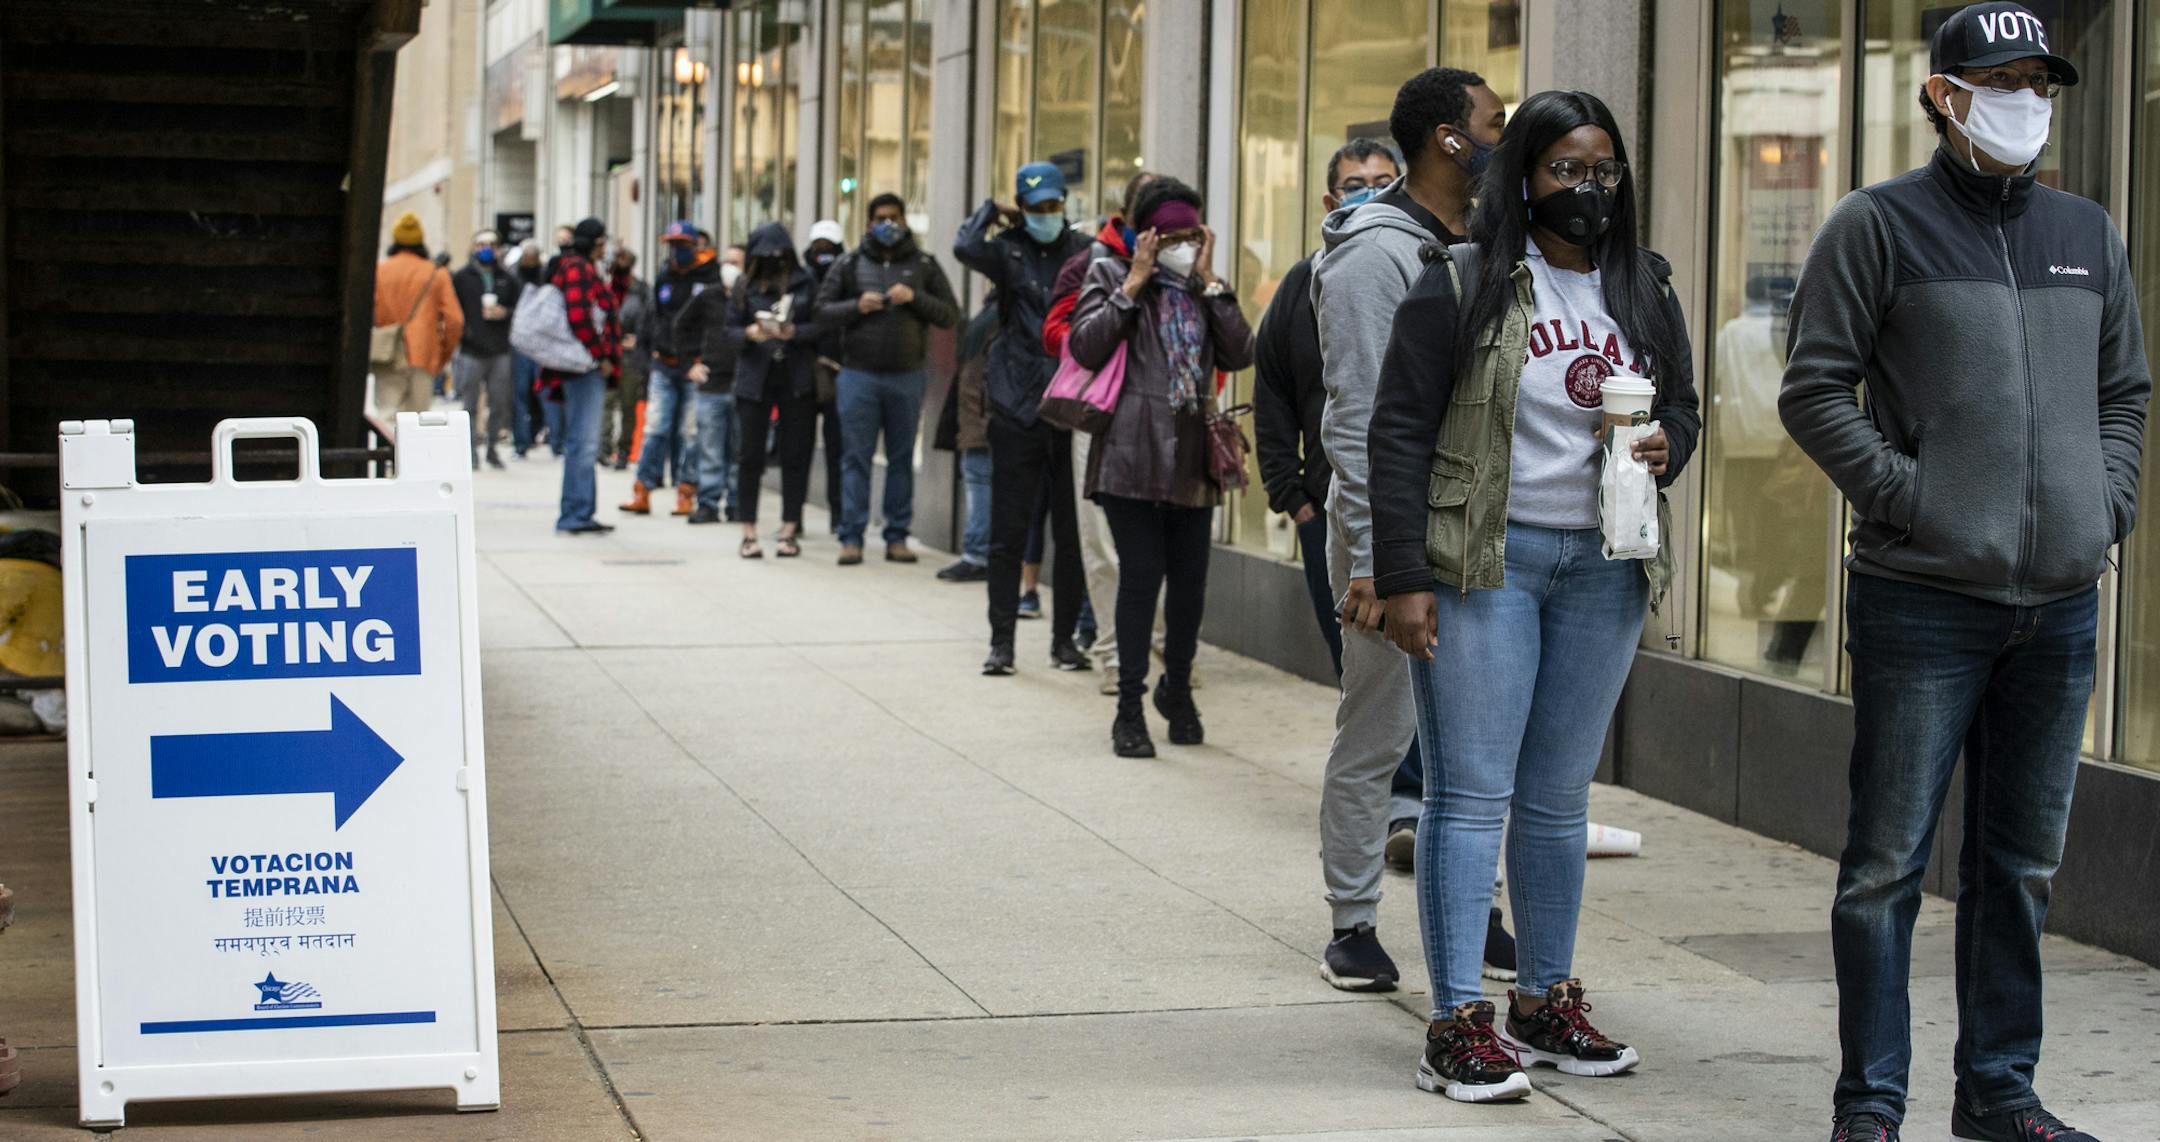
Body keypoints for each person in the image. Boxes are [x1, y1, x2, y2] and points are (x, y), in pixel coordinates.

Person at [1779, 8, 2146, 1141]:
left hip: (2062, 605)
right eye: (2002, 80)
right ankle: (1870, 1103)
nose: (2027, 99)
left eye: (2041, 80)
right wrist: (1913, 496)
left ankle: (1998, 1090)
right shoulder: (1877, 226)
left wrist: (2106, 501)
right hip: (1924, 600)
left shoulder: (2088, 230)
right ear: (1943, 95)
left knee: (2022, 866)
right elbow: (1814, 390)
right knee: (1885, 866)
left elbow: (2124, 393)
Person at [1368, 90, 1698, 1104]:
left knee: (1558, 798)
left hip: (1604, 564)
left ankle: (1545, 999)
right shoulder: (1463, 282)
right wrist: (1401, 577)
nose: (1588, 188)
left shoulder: (1647, 287)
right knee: (1470, 793)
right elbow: (1397, 434)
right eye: (1567, 169)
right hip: (1486, 560)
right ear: (1525, 177)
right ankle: (1457, 1018)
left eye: (1603, 170)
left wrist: (1667, 445)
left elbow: (1682, 406)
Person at [1311, 70, 1511, 996]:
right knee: (1380, 728)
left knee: (1480, 740)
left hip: (1479, 526)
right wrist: (1374, 562)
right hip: (1388, 530)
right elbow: (1357, 420)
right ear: (1448, 139)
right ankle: (1353, 921)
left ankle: (1479, 908)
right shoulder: (1372, 254)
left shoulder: (1489, 240)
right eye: (1493, 123)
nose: (1504, 136)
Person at [1067, 177, 1253, 757]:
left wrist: (1212, 283)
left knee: (1191, 585)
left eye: (1189, 234)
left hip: (1193, 456)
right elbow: (1085, 346)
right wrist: (1135, 281)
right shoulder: (1107, 273)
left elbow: (1240, 351)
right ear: (1144, 234)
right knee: (1141, 580)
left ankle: (1177, 688)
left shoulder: (1204, 288)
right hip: (1129, 454)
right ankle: (1128, 707)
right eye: (1169, 235)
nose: (1179, 243)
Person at [956, 162, 1095, 675]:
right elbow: (964, 247)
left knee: (1072, 532)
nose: (1046, 215)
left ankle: (1064, 642)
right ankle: (1002, 643)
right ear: (1022, 207)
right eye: (1035, 207)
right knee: (1007, 533)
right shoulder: (1006, 251)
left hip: (1070, 403)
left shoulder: (1082, 251)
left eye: (1053, 205)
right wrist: (993, 210)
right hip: (1017, 405)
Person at [1045, 171, 1157, 692]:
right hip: (1102, 415)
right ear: (1133, 216)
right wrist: (1123, 304)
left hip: (1165, 421)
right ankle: (1114, 652)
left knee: (1166, 544)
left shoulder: (1185, 267)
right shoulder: (1090, 263)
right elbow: (1059, 336)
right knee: (1103, 543)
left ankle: (1162, 646)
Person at [813, 193, 961, 565]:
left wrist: (914, 298)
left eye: (894, 217)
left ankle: (897, 535)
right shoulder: (849, 264)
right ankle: (852, 536)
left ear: (905, 221)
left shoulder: (924, 265)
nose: (888, 224)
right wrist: (855, 306)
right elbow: (821, 311)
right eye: (881, 217)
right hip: (858, 376)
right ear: (868, 223)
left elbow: (949, 315)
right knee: (855, 458)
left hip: (907, 376)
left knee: (900, 459)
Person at [708, 223, 823, 556]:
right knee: (750, 456)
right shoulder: (745, 285)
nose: (775, 259)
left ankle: (789, 528)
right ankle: (748, 531)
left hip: (795, 377)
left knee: (795, 454)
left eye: (780, 253)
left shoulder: (805, 283)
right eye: (767, 254)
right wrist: (749, 334)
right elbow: (728, 330)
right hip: (754, 379)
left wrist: (794, 332)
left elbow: (821, 326)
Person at [623, 221, 724, 518]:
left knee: (691, 433)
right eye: (672, 244)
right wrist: (645, 355)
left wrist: (704, 359)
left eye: (683, 245)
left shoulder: (711, 278)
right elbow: (651, 319)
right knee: (656, 428)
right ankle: (643, 489)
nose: (676, 250)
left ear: (696, 246)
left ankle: (686, 492)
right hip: (663, 364)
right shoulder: (665, 276)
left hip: (694, 367)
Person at [544, 217, 622, 535]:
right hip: (584, 368)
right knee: (583, 442)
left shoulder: (582, 266)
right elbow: (579, 315)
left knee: (583, 442)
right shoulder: (577, 267)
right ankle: (575, 513)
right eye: (603, 240)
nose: (606, 246)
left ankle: (582, 510)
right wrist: (600, 356)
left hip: (583, 366)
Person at [372, 212, 462, 417]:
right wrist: (443, 355)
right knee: (418, 422)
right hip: (424, 353)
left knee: (387, 417)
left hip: (388, 353)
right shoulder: (435, 273)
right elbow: (455, 320)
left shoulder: (379, 271)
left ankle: (389, 450)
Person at [936, 299, 1000, 583]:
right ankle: (977, 554)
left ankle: (977, 555)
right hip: (975, 419)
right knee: (979, 482)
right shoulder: (991, 312)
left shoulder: (999, 314)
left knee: (980, 485)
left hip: (983, 421)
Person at [450, 228, 521, 469]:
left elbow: (520, 310)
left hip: (500, 349)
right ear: (473, 248)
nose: (485, 249)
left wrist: (505, 313)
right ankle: (470, 451)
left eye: (490, 244)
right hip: (471, 349)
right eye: (480, 244)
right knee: (469, 405)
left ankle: (492, 448)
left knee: (498, 403)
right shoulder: (461, 278)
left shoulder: (508, 279)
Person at [803, 219, 850, 526]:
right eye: (818, 246)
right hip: (805, 372)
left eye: (829, 247)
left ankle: (838, 514)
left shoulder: (848, 275)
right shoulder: (801, 280)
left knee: (839, 449)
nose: (823, 254)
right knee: (800, 448)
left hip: (838, 371)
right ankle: (796, 514)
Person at [606, 248, 655, 470]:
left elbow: (651, 318)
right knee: (606, 402)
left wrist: (640, 339)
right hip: (607, 354)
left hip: (631, 357)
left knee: (628, 404)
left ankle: (624, 450)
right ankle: (603, 448)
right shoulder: (605, 288)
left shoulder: (642, 290)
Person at [512, 241, 547, 458]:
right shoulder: (513, 277)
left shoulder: (545, 277)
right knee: (521, 392)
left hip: (542, 343)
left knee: (542, 392)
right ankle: (521, 441)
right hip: (520, 343)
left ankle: (539, 431)